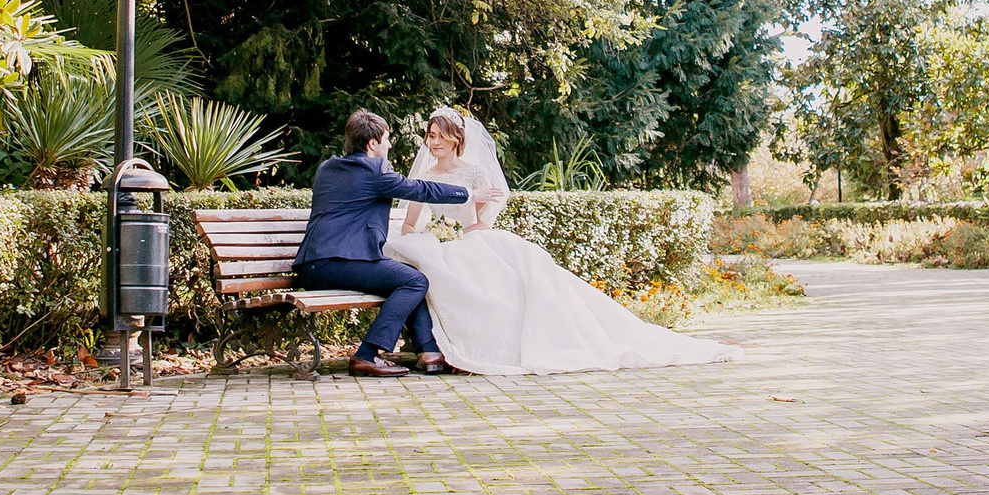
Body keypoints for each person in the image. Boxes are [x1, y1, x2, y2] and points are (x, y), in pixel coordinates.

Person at [385, 107, 740, 375]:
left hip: (475, 240)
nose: (433, 143)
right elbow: (411, 225)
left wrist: (459, 231)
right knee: (430, 261)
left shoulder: (476, 174)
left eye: (439, 136)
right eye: (430, 136)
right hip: (445, 245)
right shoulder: (425, 177)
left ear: (456, 139)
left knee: (504, 271)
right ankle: (439, 347)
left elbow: (482, 223)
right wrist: (433, 236)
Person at [296, 108, 474, 378]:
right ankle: (365, 356)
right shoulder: (376, 170)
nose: (390, 145)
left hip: (311, 266)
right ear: (371, 144)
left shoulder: (328, 167)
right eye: (386, 139)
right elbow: (420, 188)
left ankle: (429, 352)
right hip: (340, 264)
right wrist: (468, 192)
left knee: (407, 278)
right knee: (414, 281)